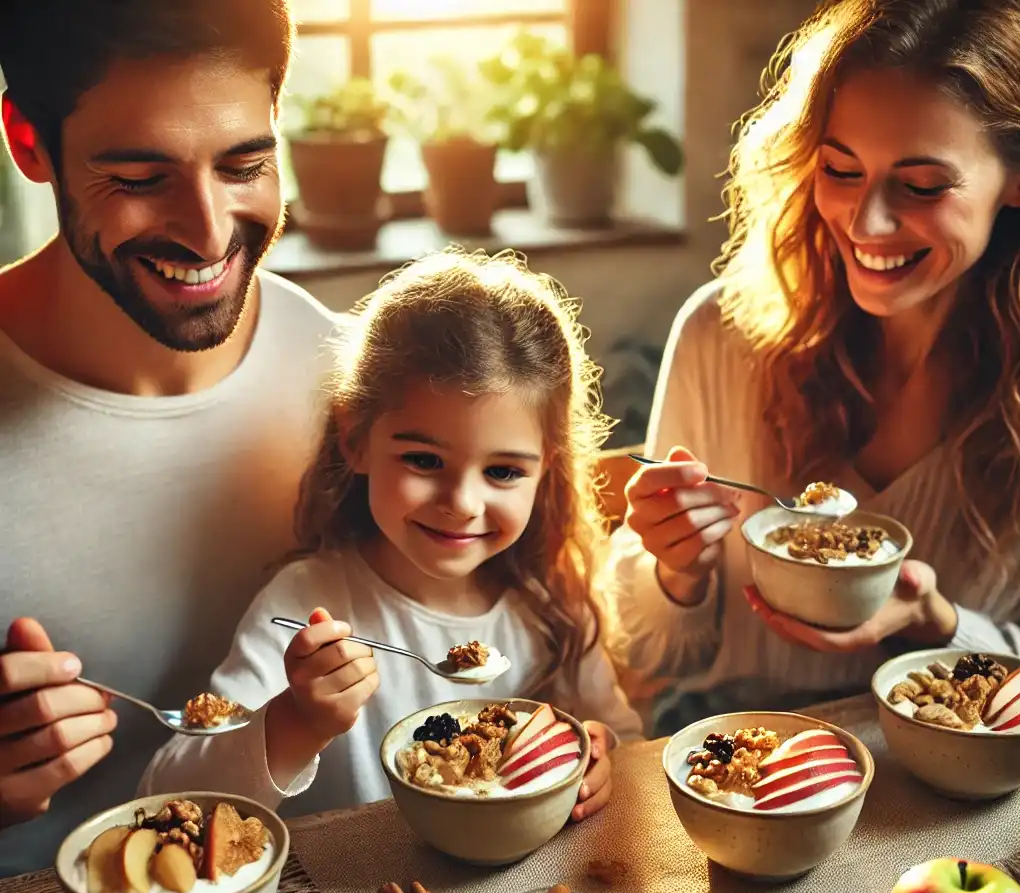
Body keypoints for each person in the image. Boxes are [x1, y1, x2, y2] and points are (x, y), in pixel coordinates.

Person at [607, 0, 1020, 735]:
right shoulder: (721, 336)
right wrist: (676, 571)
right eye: (841, 169)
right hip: (730, 755)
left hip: (947, 772)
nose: (866, 224)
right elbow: (646, 646)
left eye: (922, 185)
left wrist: (938, 624)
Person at [0, 0, 341, 875]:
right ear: (29, 143)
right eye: (141, 177)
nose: (210, 231)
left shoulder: (345, 376)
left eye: (244, 164)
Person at [140, 248, 643, 820]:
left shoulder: (553, 603)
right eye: (424, 461)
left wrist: (604, 756)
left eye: (503, 471)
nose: (462, 504)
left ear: (545, 468)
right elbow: (165, 799)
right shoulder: (307, 608)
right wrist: (295, 723)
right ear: (355, 438)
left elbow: (623, 738)